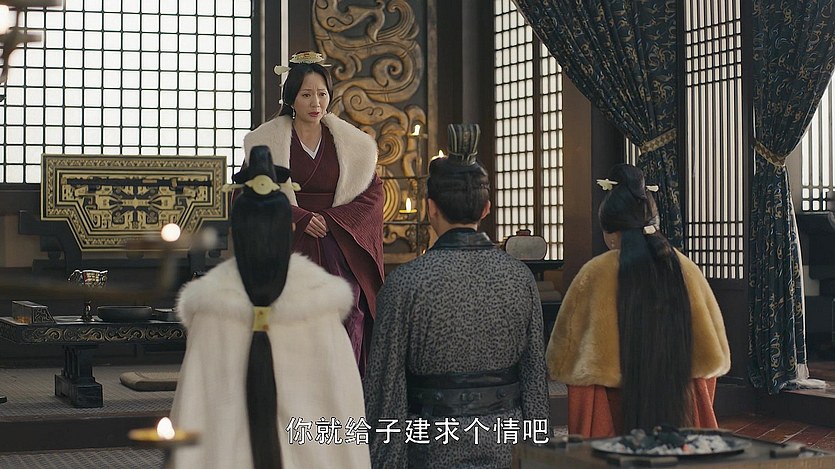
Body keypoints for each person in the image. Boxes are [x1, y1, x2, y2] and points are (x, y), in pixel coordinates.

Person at [170, 146, 371, 469]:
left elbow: (191, 418)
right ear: (290, 229)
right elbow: (344, 420)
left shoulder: (211, 308)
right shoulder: (319, 305)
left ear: (235, 232)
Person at [363, 124, 550, 469]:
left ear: (430, 208)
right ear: (486, 208)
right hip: (505, 441)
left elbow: (384, 390)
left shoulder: (405, 283)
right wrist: (539, 455)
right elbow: (535, 377)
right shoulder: (520, 278)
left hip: (430, 443)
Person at [546, 163, 731, 438]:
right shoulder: (686, 269)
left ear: (611, 233)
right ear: (653, 223)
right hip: (680, 407)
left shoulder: (593, 274)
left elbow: (563, 359)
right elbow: (711, 359)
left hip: (610, 414)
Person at [243, 51, 384, 375]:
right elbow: (247, 195)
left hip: (339, 245)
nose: (315, 102)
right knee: (290, 320)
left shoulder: (353, 145)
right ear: (291, 97)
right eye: (306, 94)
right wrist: (296, 216)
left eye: (321, 94)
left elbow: (373, 196)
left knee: (350, 314)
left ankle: (344, 392)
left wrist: (332, 221)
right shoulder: (265, 143)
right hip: (289, 245)